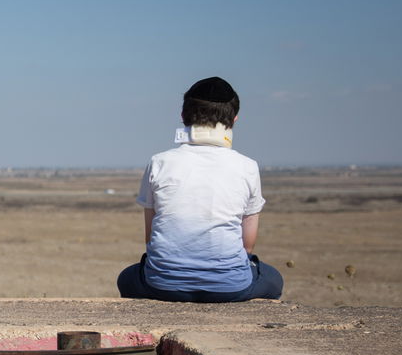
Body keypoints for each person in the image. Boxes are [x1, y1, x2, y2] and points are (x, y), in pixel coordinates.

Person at [116, 76, 284, 302]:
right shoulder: (248, 166)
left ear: (183, 116)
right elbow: (248, 245)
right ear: (234, 120)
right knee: (274, 279)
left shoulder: (159, 162)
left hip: (162, 285)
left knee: (126, 278)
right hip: (231, 287)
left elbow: (151, 236)